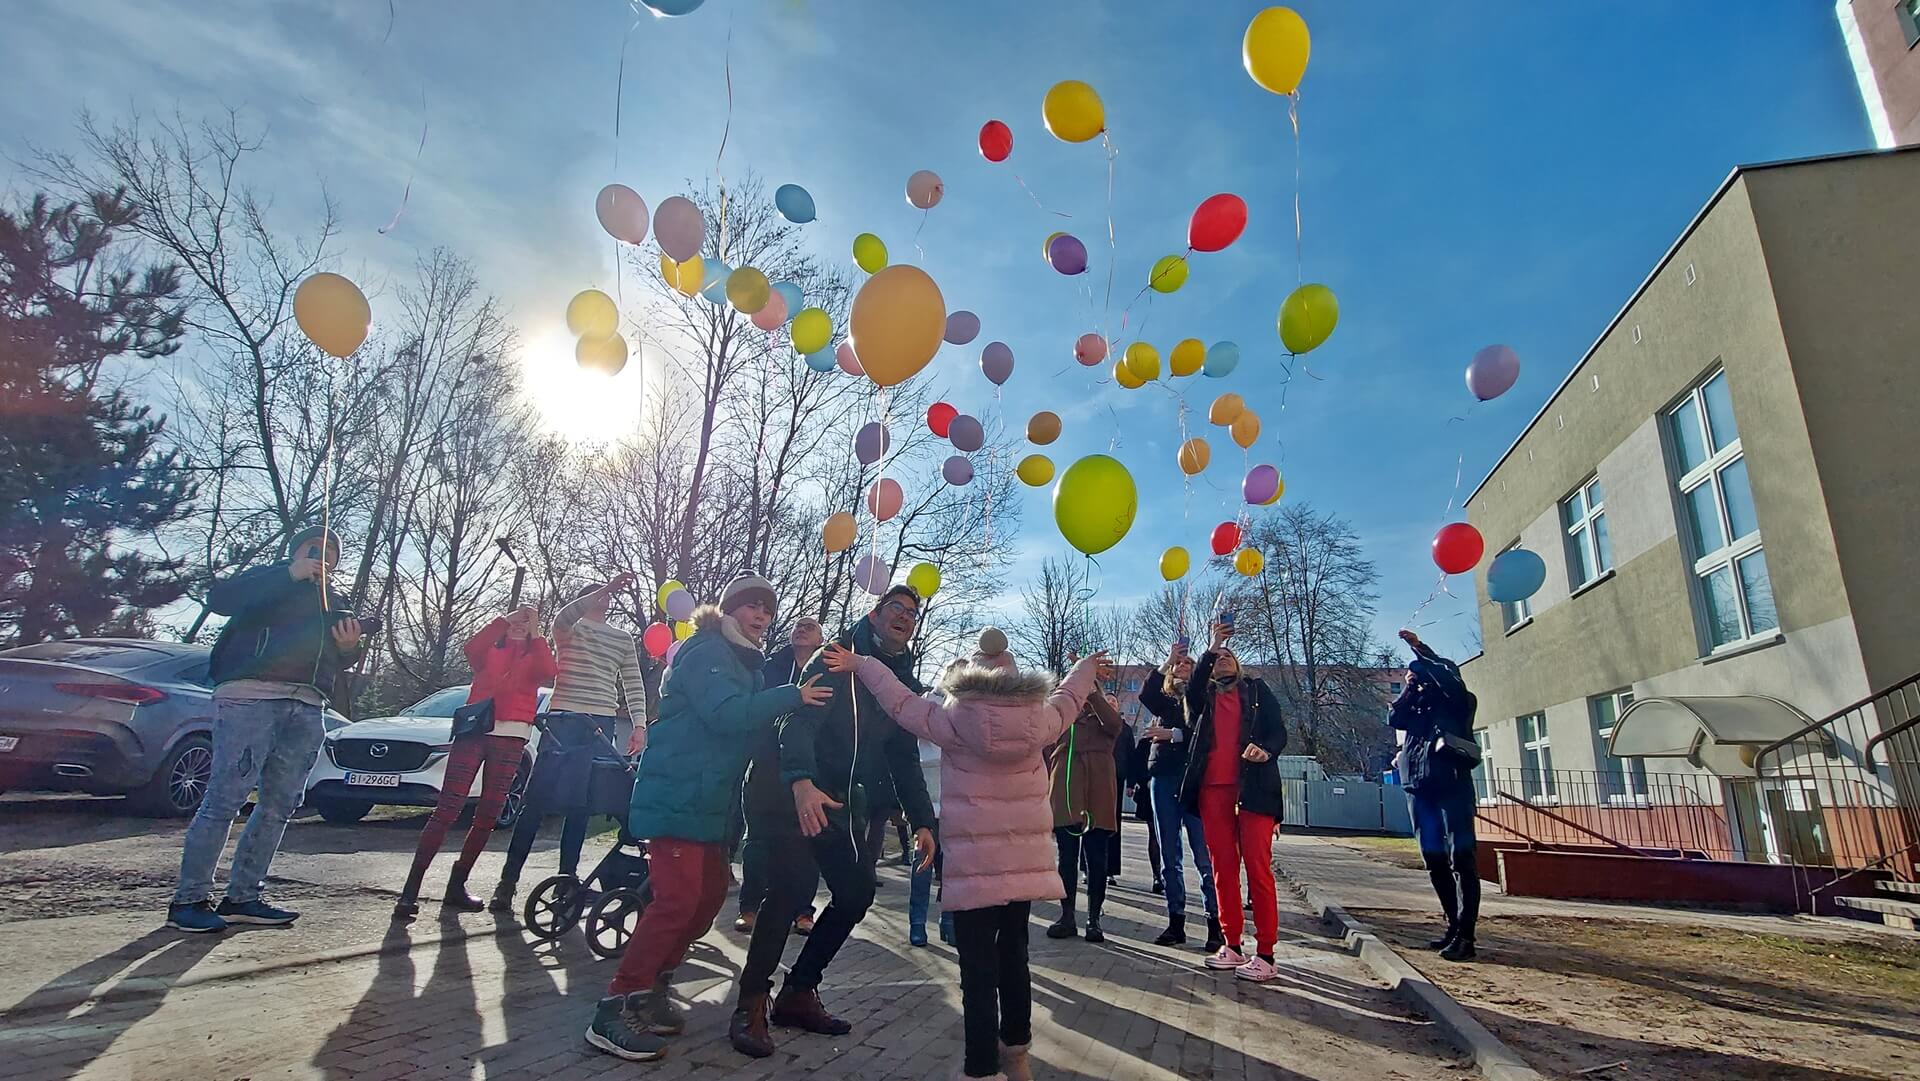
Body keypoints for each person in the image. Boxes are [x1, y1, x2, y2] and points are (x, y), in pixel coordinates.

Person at [822, 630, 1104, 1081]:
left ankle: (981, 1068)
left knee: (976, 967)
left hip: (972, 866)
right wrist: (1086, 666)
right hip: (1021, 867)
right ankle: (1017, 1056)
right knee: (1015, 956)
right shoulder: (1041, 718)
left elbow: (900, 701)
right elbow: (1071, 696)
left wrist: (863, 665)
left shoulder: (952, 718)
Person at [584, 573, 832, 1062]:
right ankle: (612, 1008)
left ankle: (652, 988)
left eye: (767, 609)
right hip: (677, 793)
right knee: (677, 901)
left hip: (711, 805)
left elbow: (751, 732)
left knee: (709, 898)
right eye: (751, 607)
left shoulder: (747, 664)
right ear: (730, 610)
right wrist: (793, 696)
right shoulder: (706, 651)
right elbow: (728, 715)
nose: (761, 616)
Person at [730, 585, 937, 1059]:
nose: (904, 618)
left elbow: (903, 755)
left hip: (845, 807)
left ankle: (799, 992)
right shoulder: (836, 655)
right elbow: (796, 720)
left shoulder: (899, 676)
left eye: (911, 613)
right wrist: (801, 781)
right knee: (790, 890)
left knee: (857, 893)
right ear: (875, 613)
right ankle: (750, 1002)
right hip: (796, 793)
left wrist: (924, 819)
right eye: (895, 609)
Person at [167, 526, 367, 933]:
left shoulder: (336, 600)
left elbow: (335, 658)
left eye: (331, 552)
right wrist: (288, 574)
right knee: (226, 797)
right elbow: (220, 599)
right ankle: (188, 900)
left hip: (308, 703)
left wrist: (349, 648)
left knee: (281, 804)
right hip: (250, 695)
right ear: (296, 551)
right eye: (314, 548)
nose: (322, 556)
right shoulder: (267, 578)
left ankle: (243, 896)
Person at [492, 574, 647, 913]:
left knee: (581, 805)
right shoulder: (568, 630)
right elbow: (563, 616)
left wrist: (639, 725)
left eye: (605, 597)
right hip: (563, 719)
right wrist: (606, 588)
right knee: (535, 802)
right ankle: (507, 881)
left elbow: (633, 682)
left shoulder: (621, 638)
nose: (603, 600)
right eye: (595, 596)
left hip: (600, 723)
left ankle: (568, 881)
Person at [395, 605, 556, 919]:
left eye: (526, 623)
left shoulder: (535, 656)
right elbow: (472, 647)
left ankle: (457, 884)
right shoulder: (490, 650)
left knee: (488, 814)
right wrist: (503, 621)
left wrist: (536, 631)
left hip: (512, 739)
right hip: (475, 732)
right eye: (516, 622)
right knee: (448, 808)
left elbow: (550, 672)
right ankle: (410, 890)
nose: (520, 626)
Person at [1179, 623, 1288, 982]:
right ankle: (1232, 945)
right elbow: (1192, 687)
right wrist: (1213, 645)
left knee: (1258, 866)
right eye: (1217, 658)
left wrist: (1266, 750)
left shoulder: (1256, 691)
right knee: (1222, 867)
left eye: (1229, 656)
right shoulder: (1201, 698)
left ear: (1239, 666)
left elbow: (1278, 732)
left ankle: (1267, 953)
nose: (1223, 660)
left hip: (1254, 790)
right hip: (1212, 791)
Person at [1390, 629, 1482, 962]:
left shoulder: (1457, 701)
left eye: (1420, 674)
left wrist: (1420, 650)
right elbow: (1393, 717)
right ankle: (1453, 923)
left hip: (1451, 784)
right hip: (1418, 787)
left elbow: (1450, 681)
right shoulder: (1416, 706)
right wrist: (1408, 689)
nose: (1416, 678)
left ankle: (1466, 934)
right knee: (1434, 860)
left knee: (1461, 857)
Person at [736, 616, 824, 937]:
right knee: (757, 841)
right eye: (798, 625)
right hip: (764, 766)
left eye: (810, 626)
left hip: (808, 771)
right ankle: (749, 907)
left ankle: (803, 911)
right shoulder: (769, 668)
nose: (801, 628)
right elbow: (752, 708)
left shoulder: (827, 672)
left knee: (806, 841)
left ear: (821, 639)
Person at [1139, 642, 1224, 951]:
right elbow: (1146, 694)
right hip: (1162, 778)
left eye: (1189, 664)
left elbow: (1206, 734)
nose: (1182, 667)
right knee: (1169, 856)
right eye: (1178, 664)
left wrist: (1173, 735)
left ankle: (1216, 923)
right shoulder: (1164, 701)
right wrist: (1168, 659)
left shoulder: (1203, 696)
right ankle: (1176, 922)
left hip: (1193, 780)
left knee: (1204, 853)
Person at [1044, 654, 1122, 944]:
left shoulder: (1104, 714)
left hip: (1098, 788)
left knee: (1096, 857)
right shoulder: (1062, 713)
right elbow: (1044, 739)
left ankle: (1094, 919)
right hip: (1067, 786)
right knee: (1066, 855)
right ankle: (1066, 916)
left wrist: (1092, 691)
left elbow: (1115, 726)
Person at [909, 660, 963, 948]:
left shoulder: (970, 708)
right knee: (922, 865)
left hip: (958, 799)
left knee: (953, 868)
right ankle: (917, 923)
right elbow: (916, 733)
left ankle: (949, 921)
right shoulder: (928, 703)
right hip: (928, 797)